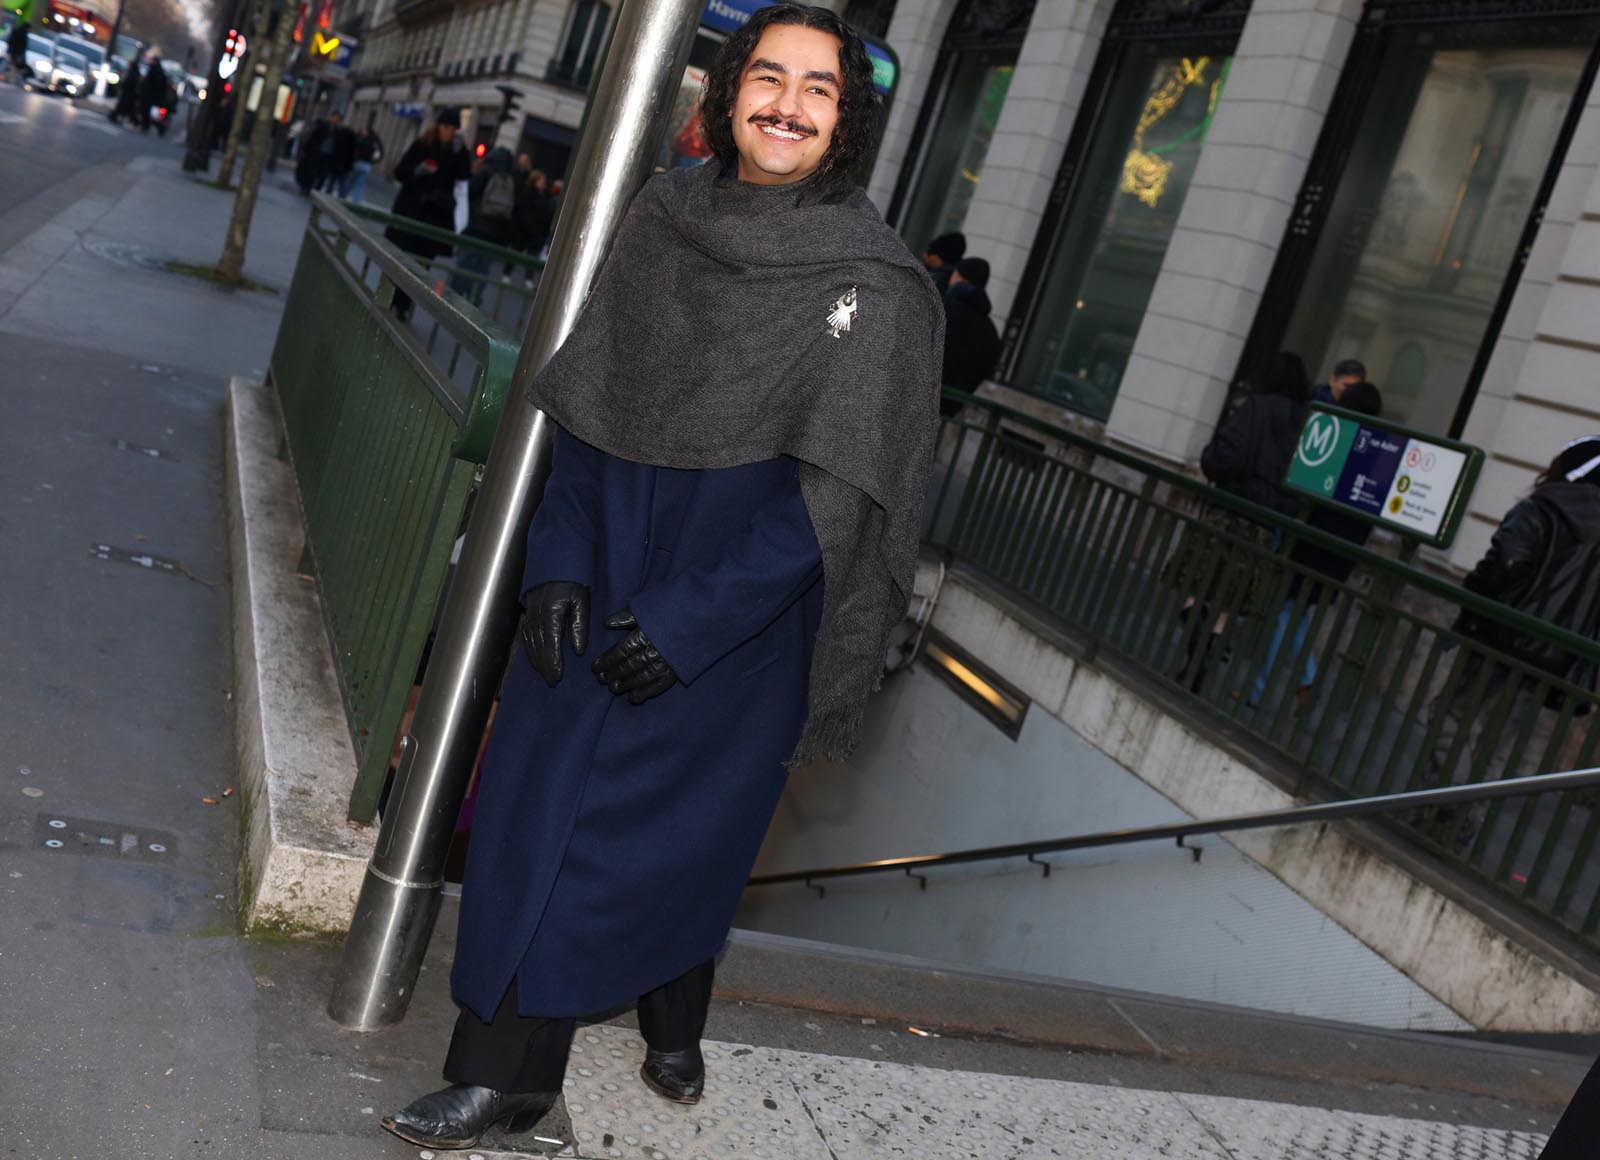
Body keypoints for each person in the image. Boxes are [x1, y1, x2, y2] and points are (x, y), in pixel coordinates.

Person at [380, 5, 943, 1150]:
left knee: (672, 839)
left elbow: (832, 501)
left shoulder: (874, 287)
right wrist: (557, 569)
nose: (785, 104)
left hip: (740, 614)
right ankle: (506, 1070)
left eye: (818, 89)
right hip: (599, 560)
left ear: (847, 121)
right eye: (767, 76)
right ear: (729, 89)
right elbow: (587, 411)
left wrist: (689, 622)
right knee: (540, 819)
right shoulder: (662, 218)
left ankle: (672, 1001)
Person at [1423, 435, 1600, 833]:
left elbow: (1505, 561)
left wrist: (1477, 602)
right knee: (1500, 743)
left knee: (1449, 714)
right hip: (1553, 658)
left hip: (1499, 636)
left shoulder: (1544, 508)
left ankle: (1447, 805)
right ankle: (1463, 823)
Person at [1168, 352, 1310, 689]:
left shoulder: (1255, 407)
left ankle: (1194, 661)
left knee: (1197, 589)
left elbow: (1226, 456)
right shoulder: (1307, 423)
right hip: (1264, 525)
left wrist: (1209, 458)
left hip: (1230, 512)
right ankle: (1202, 665)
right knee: (1228, 603)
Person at [1247, 379, 1383, 709]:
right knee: (1294, 610)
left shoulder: (1334, 434)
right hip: (1341, 550)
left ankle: (1261, 690)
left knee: (1284, 609)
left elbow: (1304, 484)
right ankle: (1305, 680)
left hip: (1311, 539)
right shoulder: (1379, 451)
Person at [385, 109, 472, 320]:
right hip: (410, 212)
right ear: (438, 126)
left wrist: (461, 154)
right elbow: (400, 172)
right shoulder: (422, 145)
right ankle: (389, 297)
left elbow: (463, 177)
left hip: (434, 217)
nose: (448, 132)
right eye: (445, 127)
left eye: (452, 129)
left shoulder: (457, 151)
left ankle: (404, 305)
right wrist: (418, 170)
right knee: (400, 258)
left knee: (421, 265)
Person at [451, 145, 518, 304]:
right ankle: (473, 300)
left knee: (465, 264)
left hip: (475, 227)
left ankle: (454, 298)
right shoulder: (509, 178)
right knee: (482, 270)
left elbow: (470, 193)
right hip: (493, 234)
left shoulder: (485, 171)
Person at [939, 256, 1001, 416]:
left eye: (954, 274)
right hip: (949, 410)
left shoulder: (944, 308)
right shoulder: (991, 330)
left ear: (960, 276)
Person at [512, 167, 555, 264]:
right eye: (541, 180)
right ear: (535, 181)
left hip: (537, 233)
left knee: (532, 257)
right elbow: (523, 212)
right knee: (516, 253)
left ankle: (529, 278)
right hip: (524, 230)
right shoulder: (527, 193)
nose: (543, 182)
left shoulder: (547, 196)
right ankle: (507, 274)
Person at [340, 125, 384, 204]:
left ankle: (343, 196)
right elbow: (379, 155)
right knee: (359, 185)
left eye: (364, 131)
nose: (363, 132)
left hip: (358, 163)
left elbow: (354, 148)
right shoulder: (374, 143)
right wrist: (373, 162)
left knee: (350, 182)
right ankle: (356, 202)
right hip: (367, 166)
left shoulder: (362, 140)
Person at [137, 55, 172, 131]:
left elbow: (156, 85)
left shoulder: (156, 71)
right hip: (150, 95)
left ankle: (147, 125)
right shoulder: (155, 70)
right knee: (146, 111)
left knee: (147, 111)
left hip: (150, 95)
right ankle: (146, 125)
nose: (151, 62)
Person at [6, 18, 27, 88]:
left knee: (12, 66)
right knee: (15, 66)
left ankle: (12, 79)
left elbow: (10, 41)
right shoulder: (23, 34)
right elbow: (22, 45)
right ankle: (12, 80)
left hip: (13, 52)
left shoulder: (16, 32)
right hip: (17, 53)